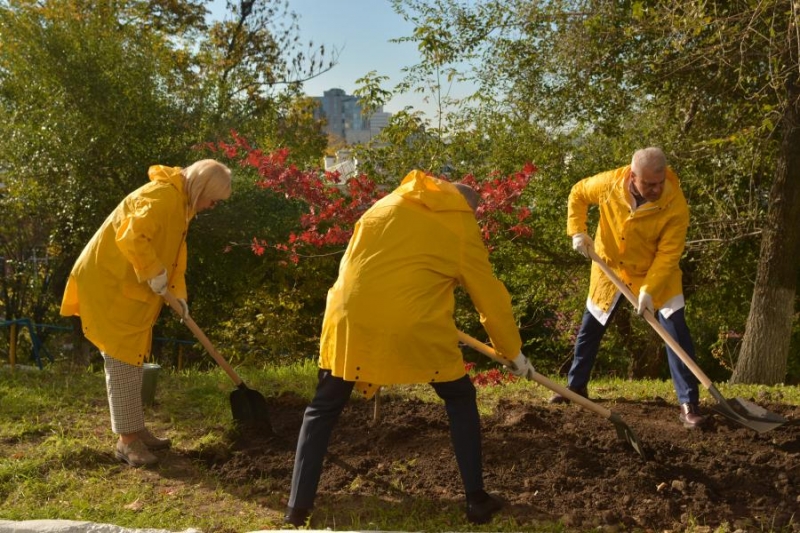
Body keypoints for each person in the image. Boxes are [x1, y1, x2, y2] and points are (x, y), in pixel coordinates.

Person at [283, 170, 534, 528]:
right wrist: (512, 350)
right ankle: (476, 500)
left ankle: (297, 509)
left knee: (322, 408)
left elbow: (354, 267)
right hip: (413, 324)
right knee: (460, 398)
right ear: (467, 208)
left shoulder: (385, 205)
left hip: (348, 319)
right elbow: (489, 298)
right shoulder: (460, 225)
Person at [60, 159, 232, 467]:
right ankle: (127, 443)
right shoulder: (162, 198)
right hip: (109, 283)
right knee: (122, 360)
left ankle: (135, 430)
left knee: (133, 359)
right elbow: (131, 236)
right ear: (202, 188)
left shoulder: (180, 205)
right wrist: (153, 272)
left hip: (127, 287)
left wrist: (178, 298)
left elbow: (174, 255)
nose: (211, 206)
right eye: (213, 199)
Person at [549, 147, 706, 429]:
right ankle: (576, 387)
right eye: (649, 184)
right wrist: (577, 231)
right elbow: (577, 193)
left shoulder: (675, 204)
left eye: (660, 183)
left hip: (657, 275)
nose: (656, 189)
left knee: (676, 334)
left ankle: (688, 404)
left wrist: (647, 290)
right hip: (609, 268)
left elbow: (669, 255)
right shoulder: (609, 184)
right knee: (590, 329)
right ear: (633, 176)